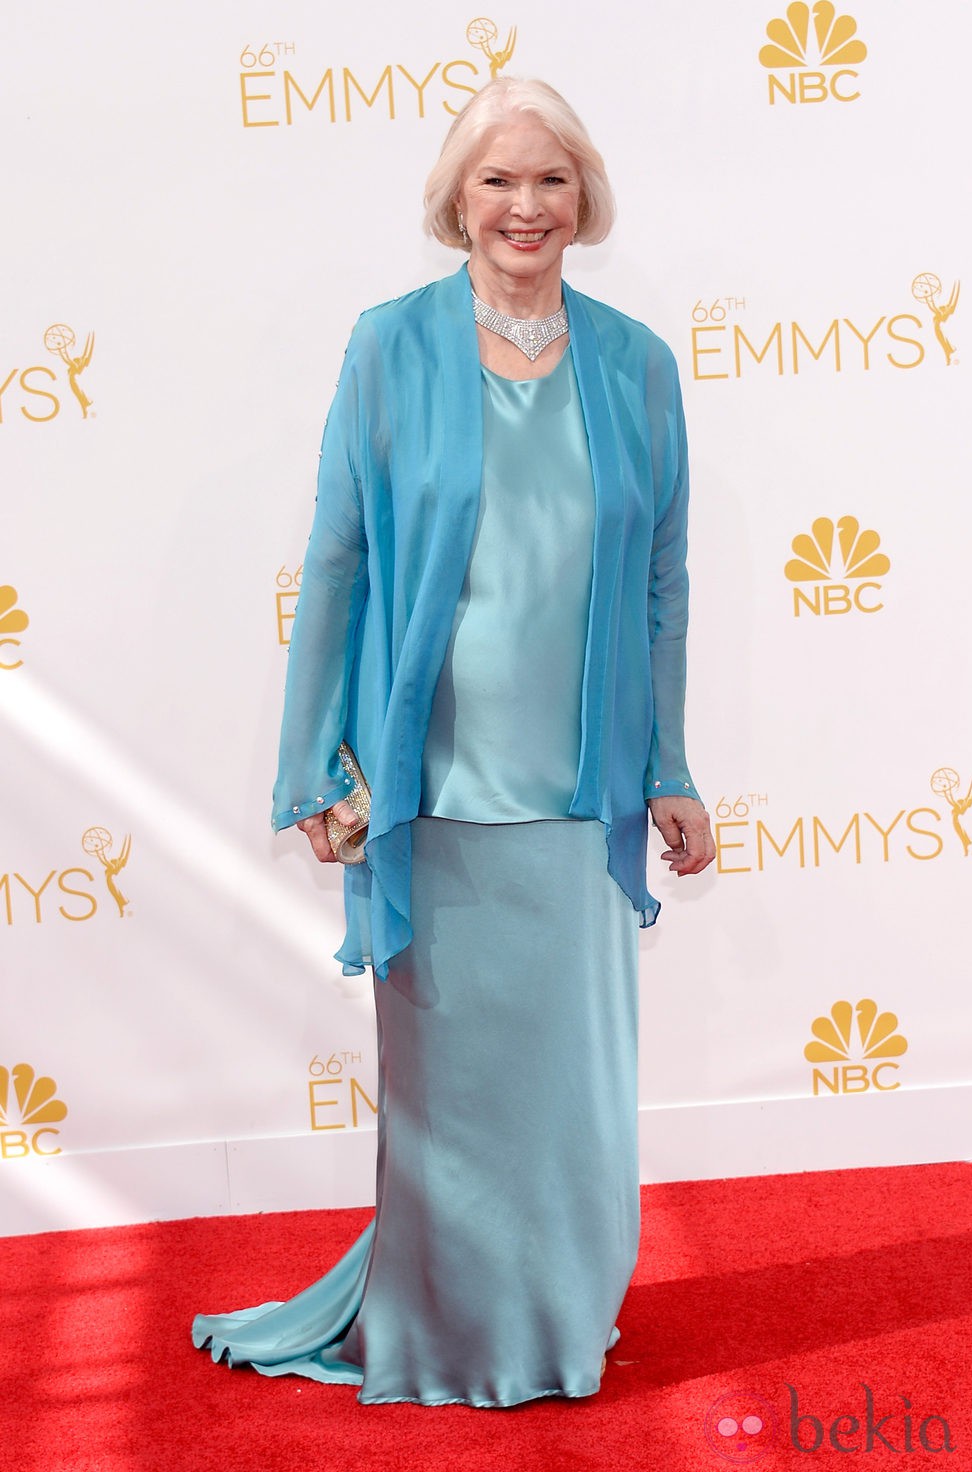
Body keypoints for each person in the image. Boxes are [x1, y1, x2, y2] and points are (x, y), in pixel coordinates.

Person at [192, 76, 715, 1408]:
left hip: (577, 799)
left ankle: (554, 1329)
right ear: (456, 199)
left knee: (574, 1110)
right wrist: (319, 764)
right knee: (453, 1112)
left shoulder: (638, 363)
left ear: (583, 197)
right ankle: (446, 1335)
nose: (525, 207)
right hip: (429, 795)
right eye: (498, 181)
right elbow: (339, 559)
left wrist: (669, 768)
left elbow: (663, 583)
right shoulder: (392, 347)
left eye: (550, 180)